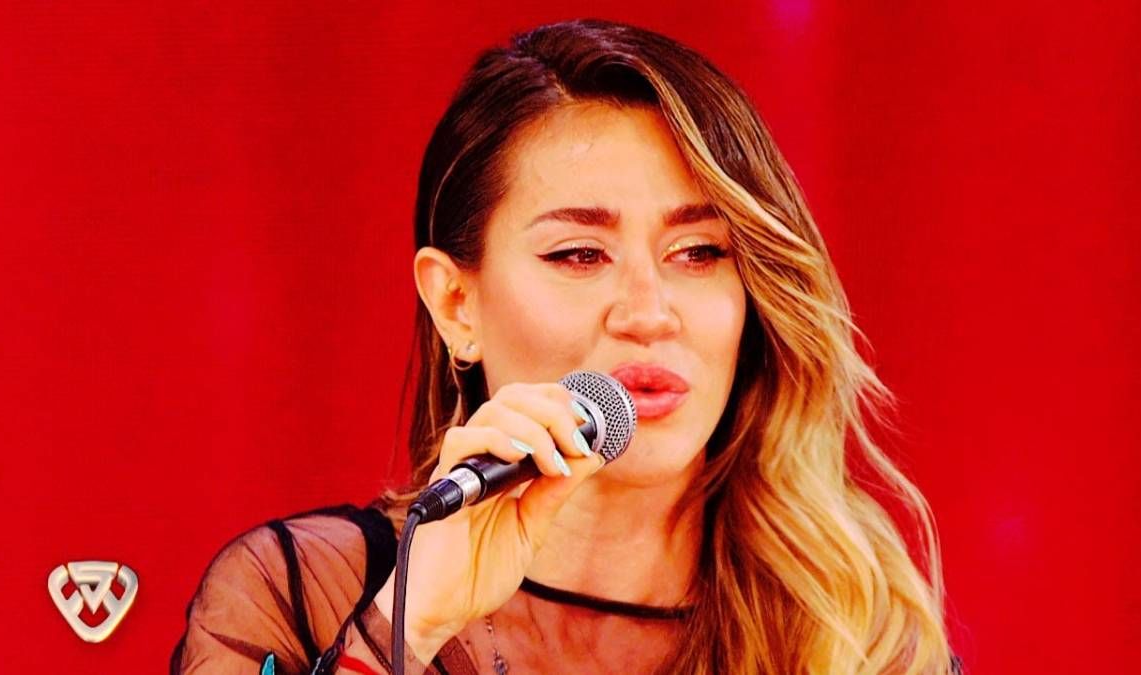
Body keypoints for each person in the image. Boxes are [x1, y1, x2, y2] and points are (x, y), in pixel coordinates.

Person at [172, 18, 960, 674]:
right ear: (456, 303)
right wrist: (408, 624)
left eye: (698, 252)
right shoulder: (292, 593)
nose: (649, 313)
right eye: (580, 254)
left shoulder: (859, 635)